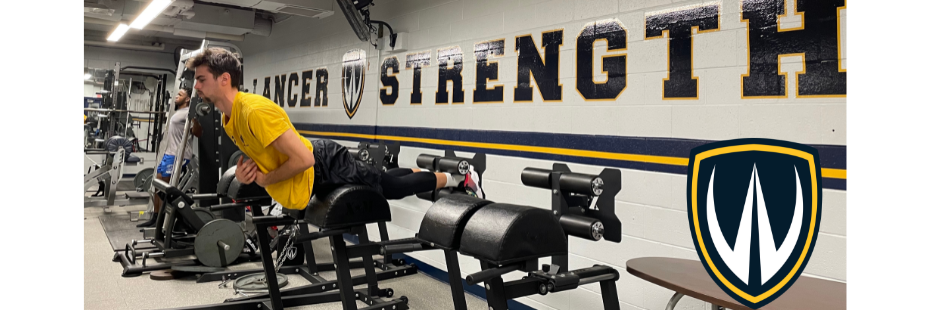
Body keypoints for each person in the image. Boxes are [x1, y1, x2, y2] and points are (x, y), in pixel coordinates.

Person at [186, 47, 482, 212]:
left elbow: (304, 159)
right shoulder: (230, 118)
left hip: (324, 164)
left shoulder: (253, 111)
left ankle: (460, 178)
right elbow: (267, 155)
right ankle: (419, 173)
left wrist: (265, 179)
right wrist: (247, 173)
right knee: (381, 179)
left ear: (224, 79)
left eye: (201, 79)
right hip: (314, 172)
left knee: (389, 189)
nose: (195, 87)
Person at [137, 87, 203, 227]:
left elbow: (197, 133)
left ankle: (168, 221)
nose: (176, 96)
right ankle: (156, 218)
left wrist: (195, 119)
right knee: (157, 186)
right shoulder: (178, 112)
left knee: (166, 189)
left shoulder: (188, 113)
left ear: (187, 99)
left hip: (178, 155)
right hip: (169, 154)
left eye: (180, 94)